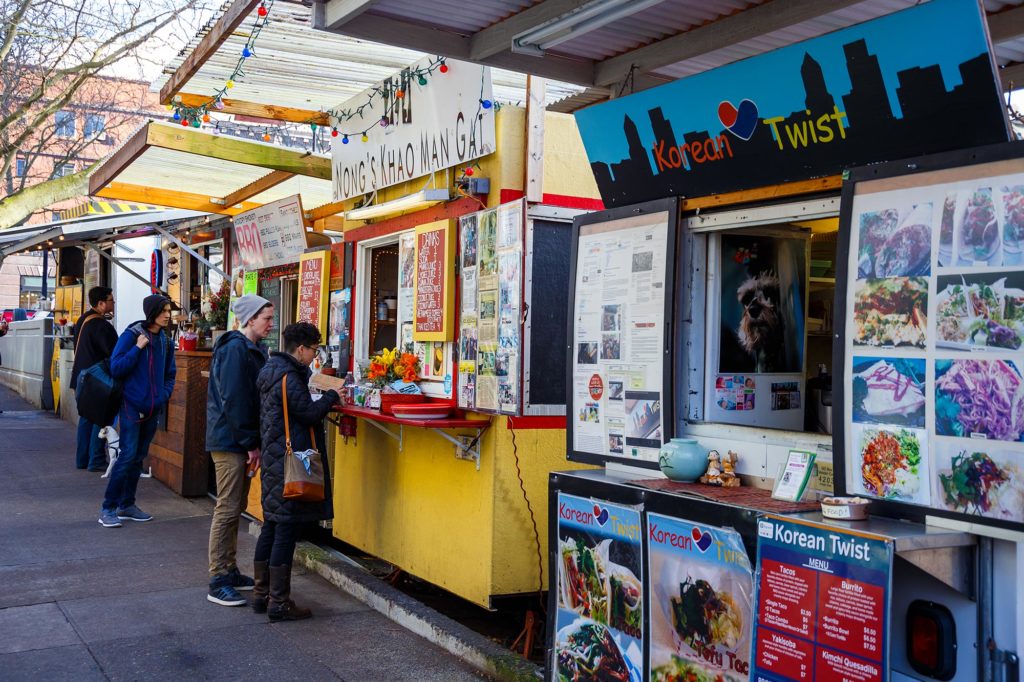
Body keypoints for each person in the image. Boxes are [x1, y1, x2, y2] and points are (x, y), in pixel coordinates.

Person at [253, 322, 339, 620]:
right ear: (300, 349)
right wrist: (332, 395)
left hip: (274, 460)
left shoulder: (270, 369)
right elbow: (308, 413)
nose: (314, 356)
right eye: (314, 349)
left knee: (272, 526)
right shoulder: (290, 376)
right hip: (290, 464)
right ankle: (278, 602)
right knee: (285, 529)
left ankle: (260, 594)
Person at [205, 294, 274, 607]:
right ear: (249, 319)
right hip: (230, 440)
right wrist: (250, 442)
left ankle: (229, 570)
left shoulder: (252, 348)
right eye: (266, 319)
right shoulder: (236, 349)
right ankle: (218, 577)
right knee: (228, 507)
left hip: (237, 439)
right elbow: (235, 399)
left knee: (235, 505)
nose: (270, 325)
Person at [98, 294, 176, 528]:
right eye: (163, 311)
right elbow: (116, 367)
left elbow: (170, 373)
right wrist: (137, 349)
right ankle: (108, 508)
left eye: (169, 310)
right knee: (127, 456)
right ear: (151, 312)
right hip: (131, 407)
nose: (167, 315)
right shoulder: (132, 335)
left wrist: (163, 395)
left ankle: (127, 505)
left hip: (153, 408)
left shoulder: (165, 341)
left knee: (138, 458)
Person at [71, 287, 118, 471]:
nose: (113, 303)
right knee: (100, 418)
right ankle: (96, 460)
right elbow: (114, 354)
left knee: (86, 418)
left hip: (81, 378)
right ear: (101, 303)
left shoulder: (84, 319)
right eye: (111, 300)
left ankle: (82, 459)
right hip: (97, 382)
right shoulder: (101, 325)